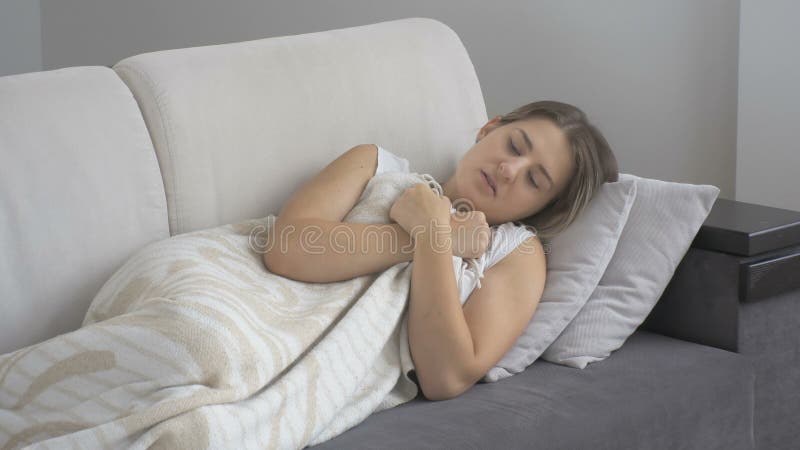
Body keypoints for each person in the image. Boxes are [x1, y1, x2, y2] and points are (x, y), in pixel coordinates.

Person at [263, 100, 618, 400]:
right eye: (514, 146)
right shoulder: (373, 165)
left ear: (542, 208)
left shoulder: (514, 252)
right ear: (489, 128)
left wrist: (433, 233)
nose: (510, 170)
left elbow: (446, 376)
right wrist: (438, 235)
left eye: (534, 180)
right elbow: (285, 248)